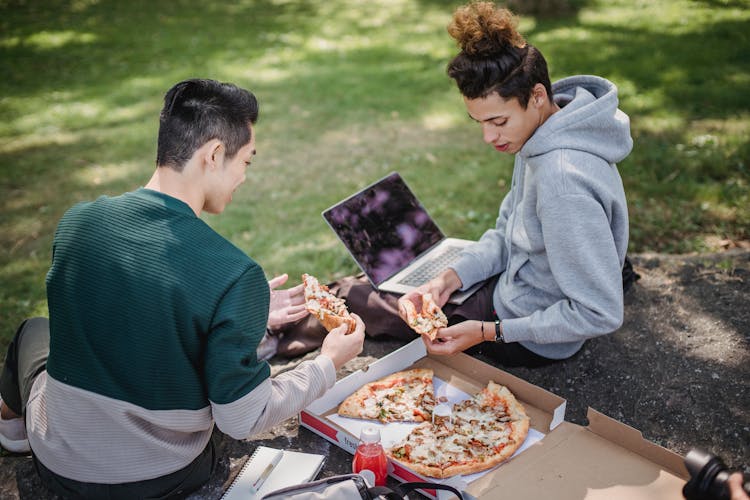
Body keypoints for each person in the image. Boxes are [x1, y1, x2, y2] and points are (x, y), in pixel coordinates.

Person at [0, 78, 365, 499]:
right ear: (213, 154)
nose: (245, 178)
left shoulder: (77, 223)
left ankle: (11, 431)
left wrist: (238, 314)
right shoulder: (233, 273)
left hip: (58, 464)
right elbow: (242, 418)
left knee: (34, 331)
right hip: (161, 476)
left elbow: (127, 308)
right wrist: (328, 363)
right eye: (246, 162)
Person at [277, 1, 632, 368]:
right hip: (514, 293)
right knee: (401, 284)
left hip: (523, 332)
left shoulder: (562, 181)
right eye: (478, 122)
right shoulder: (544, 134)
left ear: (538, 96)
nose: (488, 137)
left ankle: (263, 343)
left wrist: (486, 332)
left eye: (497, 121)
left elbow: (600, 312)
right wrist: (452, 277)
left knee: (359, 296)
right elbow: (508, 234)